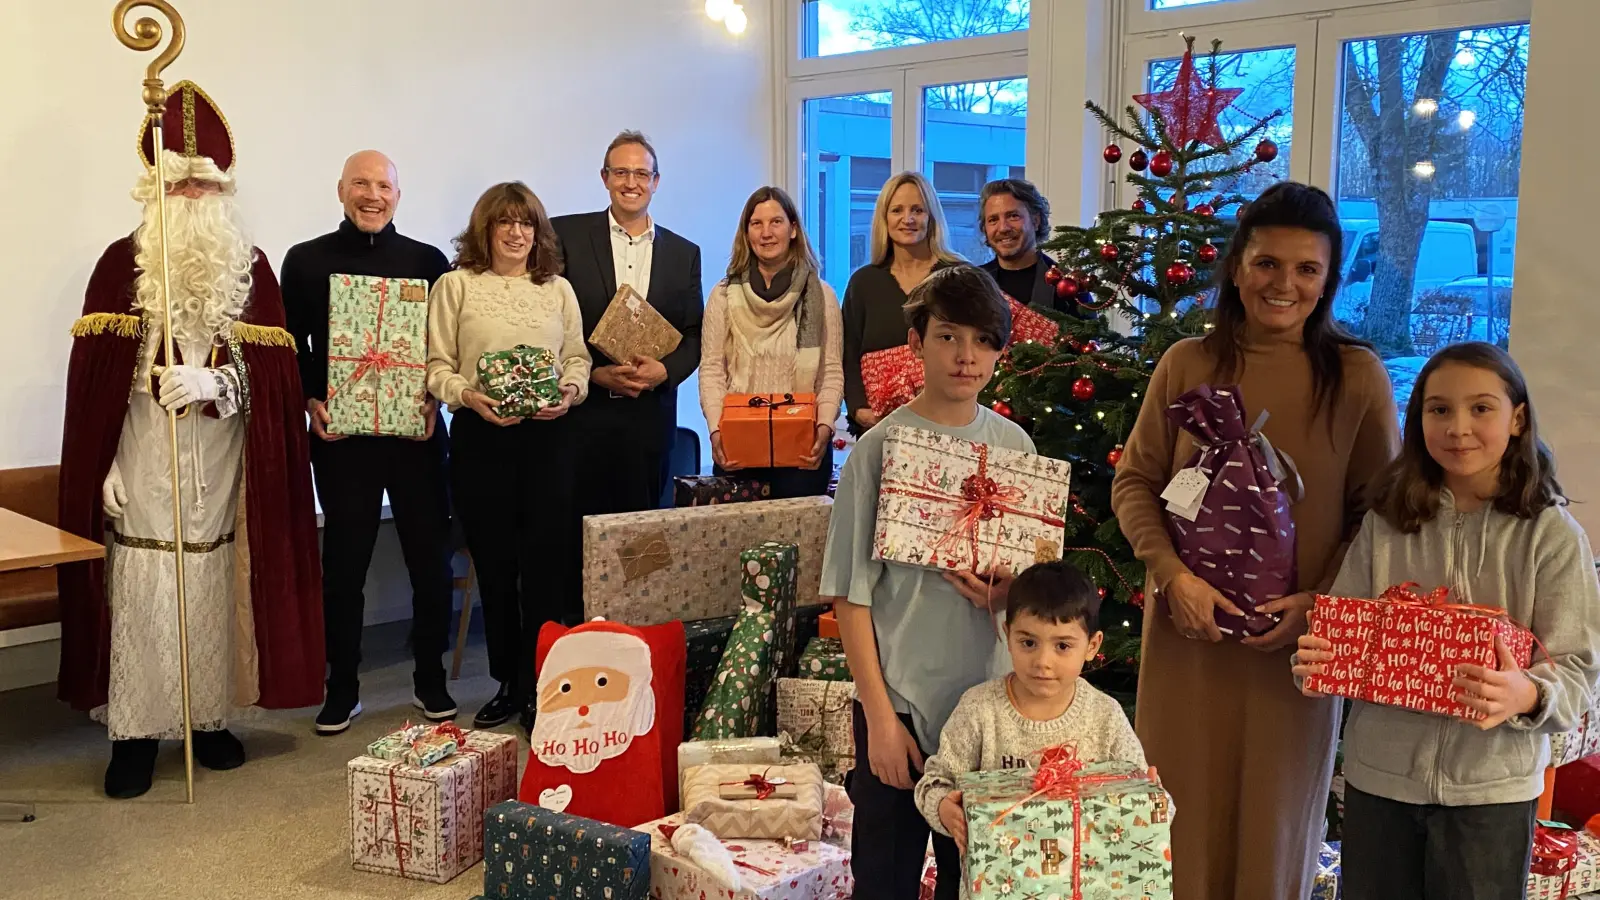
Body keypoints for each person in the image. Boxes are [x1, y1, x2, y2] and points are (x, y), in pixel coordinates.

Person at [1109, 182, 1401, 899]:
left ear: (1329, 280)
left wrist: (1322, 604)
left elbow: (1381, 513)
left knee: (1275, 839)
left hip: (1295, 656)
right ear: (1237, 266)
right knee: (1180, 832)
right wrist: (1172, 577)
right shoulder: (1185, 364)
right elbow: (1136, 484)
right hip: (1188, 643)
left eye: (1308, 269)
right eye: (1268, 263)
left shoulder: (1356, 378)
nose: (1285, 285)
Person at [56, 80, 324, 798]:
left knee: (211, 586)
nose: (193, 202)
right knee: (145, 585)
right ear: (153, 191)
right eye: (179, 186)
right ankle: (137, 734)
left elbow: (277, 385)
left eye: (205, 188)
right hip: (143, 461)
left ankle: (207, 721)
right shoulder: (122, 265)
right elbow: (94, 392)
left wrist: (219, 385)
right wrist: (102, 464)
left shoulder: (251, 270)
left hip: (223, 465)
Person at [1292, 342, 1600, 900]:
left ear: (1518, 418)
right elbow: (1339, 632)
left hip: (1492, 792)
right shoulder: (1387, 524)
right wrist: (1315, 658)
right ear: (1420, 421)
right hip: (1378, 781)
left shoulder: (1551, 536)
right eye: (1439, 409)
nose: (1458, 427)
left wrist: (1526, 694)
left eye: (1481, 408)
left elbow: (1579, 667)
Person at [820, 265, 1030, 899]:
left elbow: (1029, 590)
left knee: (974, 877)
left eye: (984, 340)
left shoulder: (1013, 444)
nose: (967, 357)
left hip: (990, 704)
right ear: (916, 343)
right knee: (884, 875)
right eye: (948, 337)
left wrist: (1005, 593)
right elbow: (849, 596)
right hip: (901, 705)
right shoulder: (878, 450)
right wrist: (880, 718)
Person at [281, 150, 457, 734]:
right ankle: (344, 687)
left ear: (398, 197)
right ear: (340, 190)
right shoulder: (306, 262)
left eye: (384, 185)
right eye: (361, 183)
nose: (372, 194)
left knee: (429, 563)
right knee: (345, 566)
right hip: (343, 439)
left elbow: (444, 348)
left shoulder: (429, 263)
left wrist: (435, 396)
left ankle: (430, 678)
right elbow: (292, 347)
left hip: (417, 436)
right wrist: (311, 400)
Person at [426, 181, 591, 728]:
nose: (517, 233)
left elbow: (577, 358)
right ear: (486, 230)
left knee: (545, 569)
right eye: (506, 223)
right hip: (482, 438)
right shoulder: (455, 286)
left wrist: (568, 393)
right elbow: (437, 367)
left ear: (538, 232)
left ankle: (543, 685)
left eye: (527, 223)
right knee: (496, 567)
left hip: (549, 440)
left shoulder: (558, 290)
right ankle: (507, 682)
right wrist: (467, 395)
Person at [915, 562, 1147, 879]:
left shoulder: (1104, 716)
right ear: (1008, 636)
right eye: (1028, 643)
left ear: (1092, 646)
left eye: (1062, 646)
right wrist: (944, 807)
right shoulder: (980, 708)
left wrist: (1151, 798)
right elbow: (935, 781)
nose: (1043, 662)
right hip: (995, 883)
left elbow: (1144, 810)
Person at [553, 130, 702, 611]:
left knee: (643, 539)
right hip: (583, 416)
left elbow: (695, 334)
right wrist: (593, 375)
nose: (631, 182)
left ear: (656, 181)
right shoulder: (566, 236)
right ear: (604, 178)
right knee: (579, 534)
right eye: (621, 172)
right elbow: (548, 322)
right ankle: (582, 637)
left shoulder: (685, 253)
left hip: (650, 417)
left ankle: (637, 628)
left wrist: (665, 370)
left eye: (641, 173)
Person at [699, 186, 842, 499]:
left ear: (793, 229)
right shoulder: (722, 295)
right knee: (737, 545)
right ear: (746, 232)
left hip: (804, 447)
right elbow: (711, 370)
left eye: (776, 222)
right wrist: (715, 429)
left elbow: (831, 371)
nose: (766, 233)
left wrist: (825, 426)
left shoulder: (822, 296)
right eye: (756, 224)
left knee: (801, 546)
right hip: (737, 446)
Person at [842, 171, 965, 436]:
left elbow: (978, 346)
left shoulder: (960, 278)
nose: (907, 219)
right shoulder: (863, 283)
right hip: (879, 428)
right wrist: (858, 408)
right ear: (884, 219)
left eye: (917, 210)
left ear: (931, 217)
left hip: (949, 427)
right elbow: (848, 352)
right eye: (897, 210)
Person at [976, 178, 1071, 314]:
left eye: (1013, 216)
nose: (1003, 228)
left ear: (1036, 221)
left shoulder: (1067, 287)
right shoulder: (973, 284)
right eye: (993, 220)